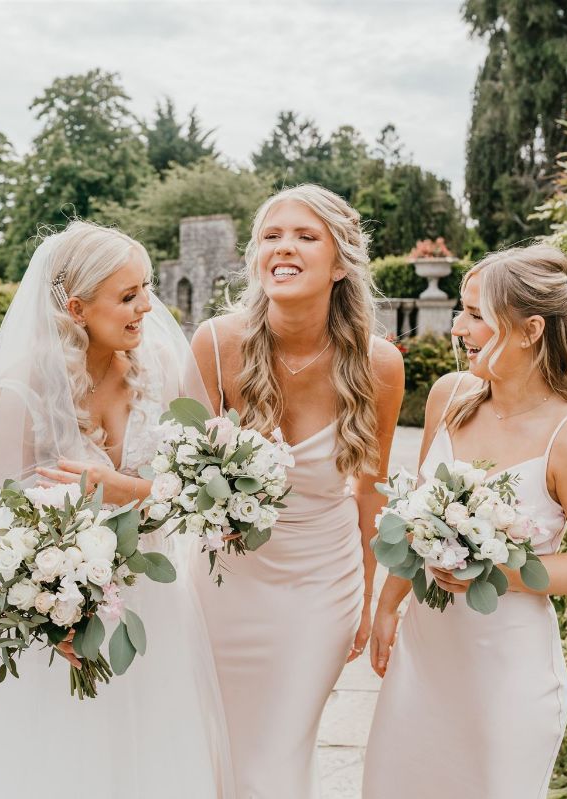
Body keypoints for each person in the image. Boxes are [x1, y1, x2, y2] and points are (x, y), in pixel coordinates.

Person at [0, 220, 233, 798]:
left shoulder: (161, 370)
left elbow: (199, 493)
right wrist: (50, 609)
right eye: (129, 296)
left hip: (154, 606)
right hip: (60, 622)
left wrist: (123, 490)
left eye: (146, 289)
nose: (147, 307)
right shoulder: (19, 391)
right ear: (76, 309)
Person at [362, 244, 567, 798]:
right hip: (424, 653)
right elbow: (418, 519)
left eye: (475, 314)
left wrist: (497, 572)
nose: (458, 328)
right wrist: (388, 605)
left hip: (507, 671)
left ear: (531, 329)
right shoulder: (450, 397)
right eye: (460, 311)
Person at [192, 184, 405, 798]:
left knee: (276, 758)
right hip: (224, 583)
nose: (284, 248)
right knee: (217, 750)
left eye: (305, 236)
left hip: (321, 586)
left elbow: (372, 492)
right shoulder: (216, 344)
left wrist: (368, 597)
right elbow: (174, 470)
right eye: (272, 236)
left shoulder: (379, 365)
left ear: (340, 264)